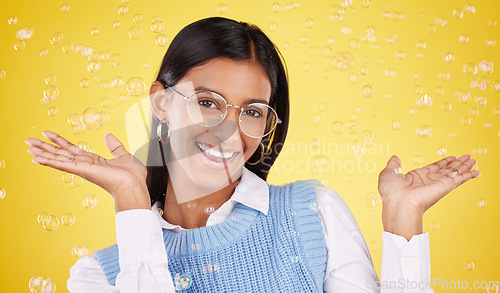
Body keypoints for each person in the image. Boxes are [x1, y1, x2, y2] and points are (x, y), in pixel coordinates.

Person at [25, 17, 480, 293]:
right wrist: (131, 198)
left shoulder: (312, 214)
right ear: (161, 103)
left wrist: (402, 219)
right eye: (206, 101)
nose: (228, 130)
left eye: (253, 111)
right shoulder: (100, 274)